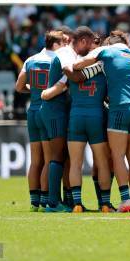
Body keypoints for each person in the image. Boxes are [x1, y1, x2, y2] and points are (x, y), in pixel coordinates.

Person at [73, 30, 130, 213]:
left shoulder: (106, 51)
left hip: (119, 107)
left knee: (118, 155)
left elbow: (78, 65)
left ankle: (125, 200)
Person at [43, 33, 114, 213]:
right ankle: (105, 203)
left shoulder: (74, 71)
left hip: (76, 117)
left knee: (75, 163)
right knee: (103, 162)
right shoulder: (104, 71)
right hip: (96, 116)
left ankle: (76, 203)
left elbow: (64, 86)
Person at [40, 27, 96, 212]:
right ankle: (53, 203)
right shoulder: (65, 52)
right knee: (57, 155)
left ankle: (66, 200)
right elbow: (67, 70)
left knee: (63, 156)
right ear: (82, 41)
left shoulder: (72, 54)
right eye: (88, 44)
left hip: (60, 108)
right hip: (54, 109)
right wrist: (57, 89)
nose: (88, 49)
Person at [14, 30, 64, 212]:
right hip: (47, 110)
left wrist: (33, 90)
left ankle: (34, 201)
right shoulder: (56, 60)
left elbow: (19, 86)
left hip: (32, 110)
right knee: (49, 159)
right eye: (63, 43)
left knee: (35, 160)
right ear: (56, 44)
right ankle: (45, 199)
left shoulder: (30, 59)